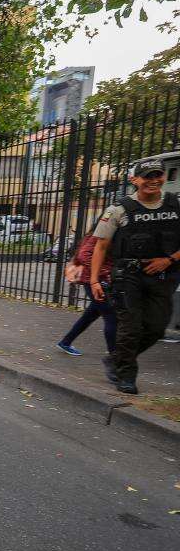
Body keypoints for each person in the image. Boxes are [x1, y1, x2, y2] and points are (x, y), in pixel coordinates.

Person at [89, 158, 180, 394]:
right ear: (135, 180)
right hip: (128, 276)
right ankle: (126, 376)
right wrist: (94, 279)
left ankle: (116, 359)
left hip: (162, 275)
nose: (153, 181)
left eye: (157, 175)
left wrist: (168, 260)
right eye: (147, 176)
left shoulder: (175, 206)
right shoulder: (119, 209)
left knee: (157, 327)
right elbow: (100, 246)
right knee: (130, 328)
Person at [56, 231, 116, 356]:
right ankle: (115, 356)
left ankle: (66, 342)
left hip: (96, 281)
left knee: (90, 315)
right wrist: (104, 271)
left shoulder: (98, 233)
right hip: (96, 282)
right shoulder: (101, 234)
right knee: (111, 316)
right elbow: (84, 255)